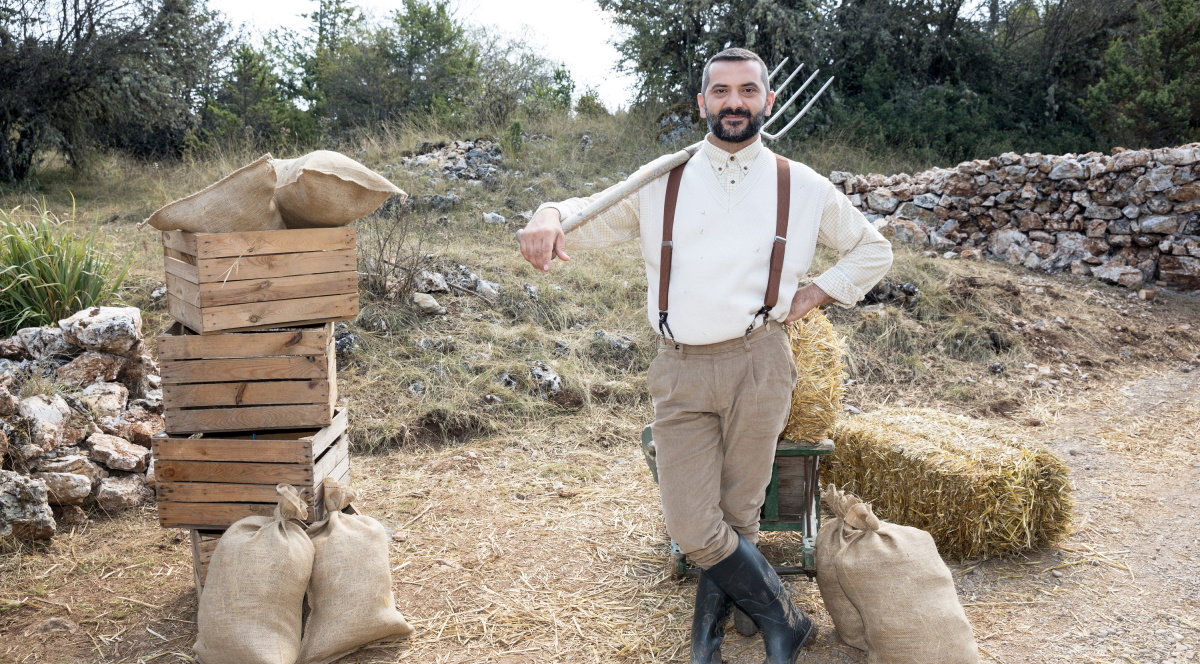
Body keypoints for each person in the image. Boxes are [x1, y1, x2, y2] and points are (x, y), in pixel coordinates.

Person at [517, 47, 892, 664]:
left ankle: (706, 648)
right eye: (721, 91)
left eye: (748, 91)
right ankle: (785, 618)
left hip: (761, 361)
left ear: (768, 101)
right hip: (680, 365)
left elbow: (873, 251)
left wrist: (819, 292)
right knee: (695, 527)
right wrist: (548, 211)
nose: (735, 103)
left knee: (740, 513)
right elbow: (580, 218)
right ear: (702, 103)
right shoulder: (661, 179)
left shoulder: (802, 185)